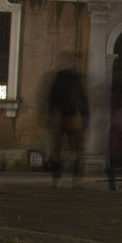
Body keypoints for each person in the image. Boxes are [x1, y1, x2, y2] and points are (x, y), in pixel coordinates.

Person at [45, 55, 90, 184]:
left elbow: (52, 97)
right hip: (68, 115)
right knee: (70, 148)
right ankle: (70, 175)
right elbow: (82, 99)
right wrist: (85, 116)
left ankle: (60, 176)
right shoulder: (75, 79)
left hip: (65, 115)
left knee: (63, 148)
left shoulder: (64, 78)